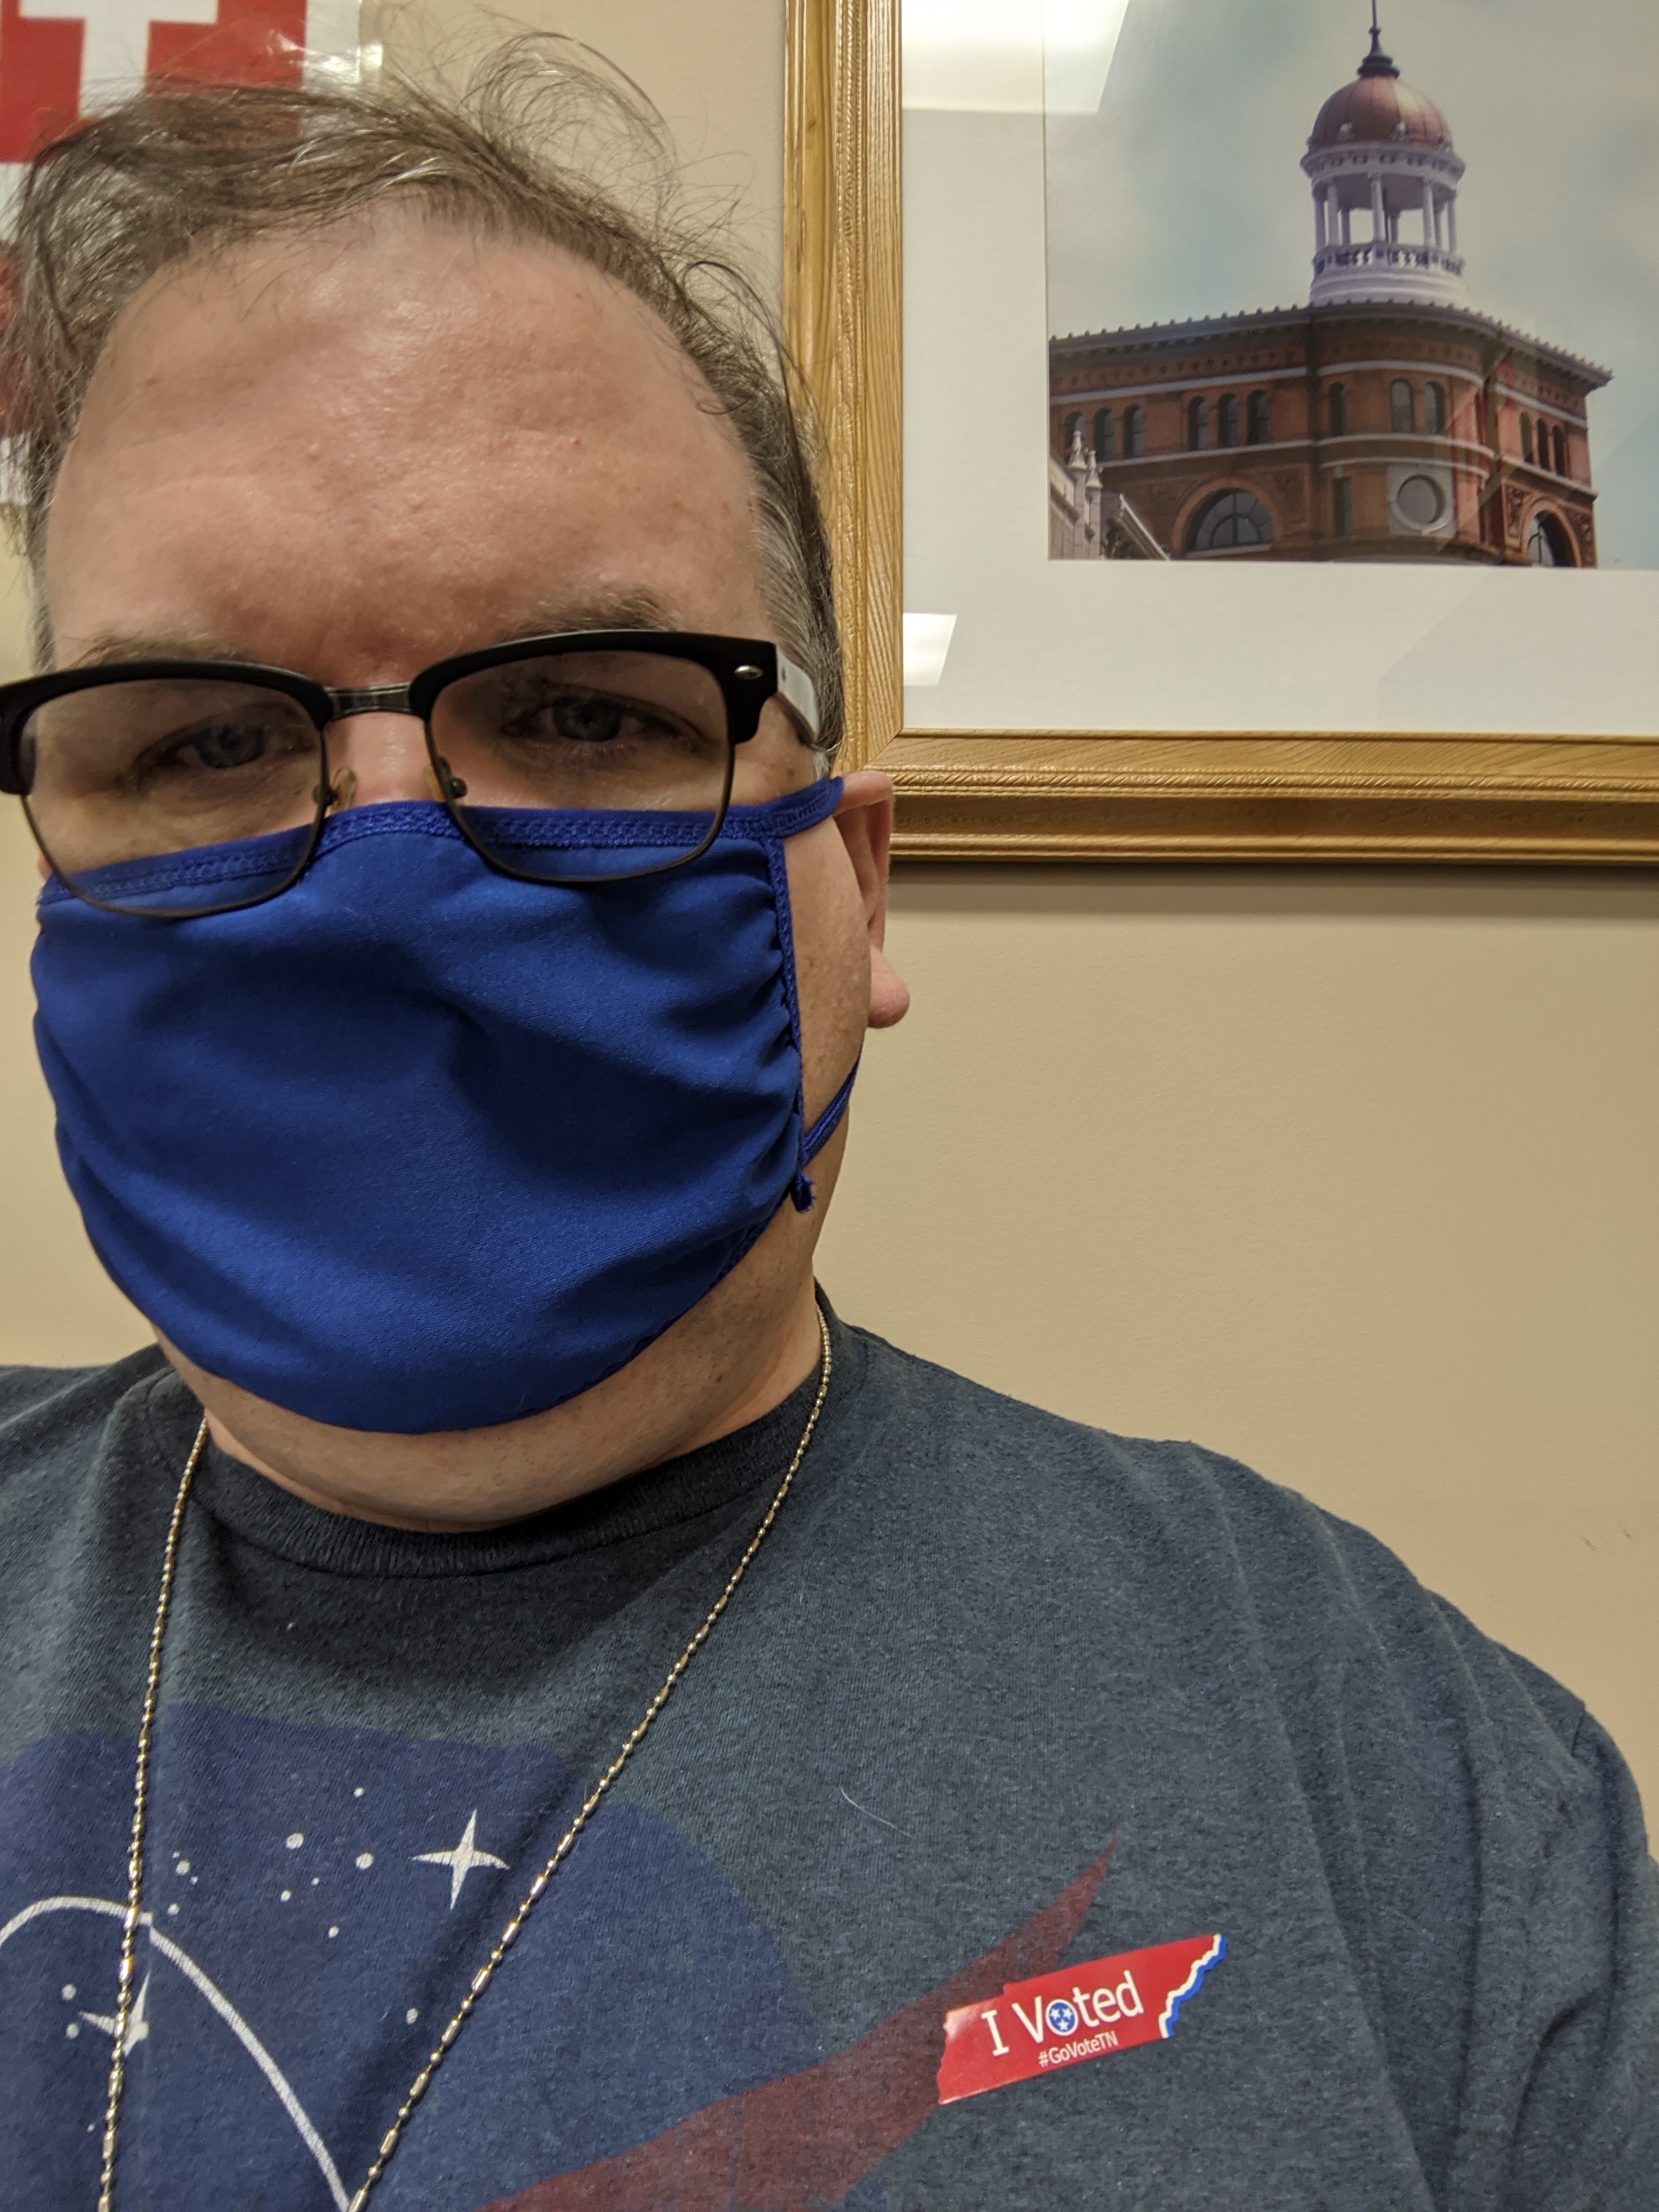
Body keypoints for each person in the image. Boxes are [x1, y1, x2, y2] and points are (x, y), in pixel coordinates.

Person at [0, 45, 1652, 2212]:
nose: (389, 875)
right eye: (205, 738)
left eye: (581, 707)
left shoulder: (1408, 1781)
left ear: (856, 886)